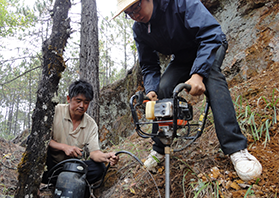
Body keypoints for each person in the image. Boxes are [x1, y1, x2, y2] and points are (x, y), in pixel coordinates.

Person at [111, 0, 262, 181]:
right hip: (183, 56)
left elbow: (210, 33)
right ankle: (160, 148)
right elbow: (149, 65)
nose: (135, 15)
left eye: (136, 7)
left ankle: (236, 149)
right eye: (129, 13)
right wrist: (151, 89)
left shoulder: (180, 3)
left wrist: (198, 74)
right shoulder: (139, 29)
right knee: (164, 89)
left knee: (212, 78)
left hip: (210, 44)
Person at [41, 80, 119, 194]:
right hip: (49, 166)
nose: (82, 106)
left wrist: (106, 156)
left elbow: (94, 153)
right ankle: (49, 182)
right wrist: (64, 147)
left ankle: (69, 186)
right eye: (78, 101)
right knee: (32, 143)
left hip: (71, 169)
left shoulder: (91, 124)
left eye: (86, 102)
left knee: (99, 168)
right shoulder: (55, 111)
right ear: (69, 99)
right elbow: (41, 140)